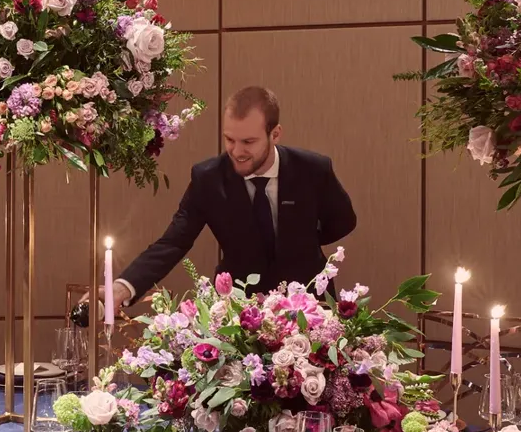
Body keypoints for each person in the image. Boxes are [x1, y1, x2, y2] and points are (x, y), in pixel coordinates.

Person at [113, 86, 356, 307]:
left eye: (248, 141)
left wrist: (304, 241)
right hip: (238, 310)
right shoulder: (208, 178)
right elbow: (174, 242)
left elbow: (344, 221)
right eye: (230, 139)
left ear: (275, 134)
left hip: (309, 304)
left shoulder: (313, 169)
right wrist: (124, 286)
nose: (237, 152)